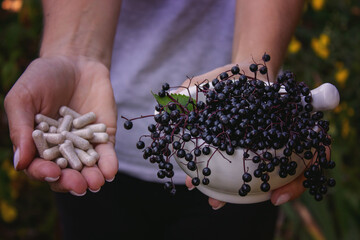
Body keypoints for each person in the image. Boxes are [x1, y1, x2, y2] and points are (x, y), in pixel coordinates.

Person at [4, 0, 305, 239]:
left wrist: (251, 73)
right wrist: (72, 56)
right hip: (101, 155)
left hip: (242, 159)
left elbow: (255, 64)